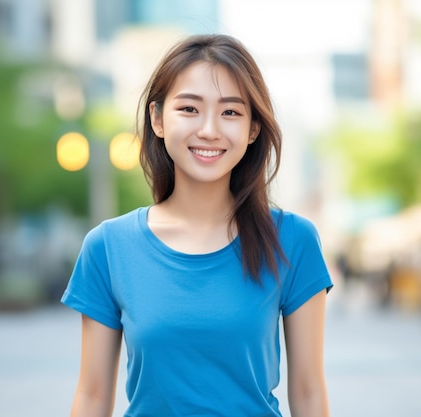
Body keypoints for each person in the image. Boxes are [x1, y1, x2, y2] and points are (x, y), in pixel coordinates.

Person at [61, 34, 333, 417]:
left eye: (230, 112)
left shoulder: (292, 240)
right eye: (189, 109)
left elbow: (308, 393)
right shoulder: (108, 246)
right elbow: (91, 396)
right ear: (157, 119)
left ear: (253, 128)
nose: (209, 130)